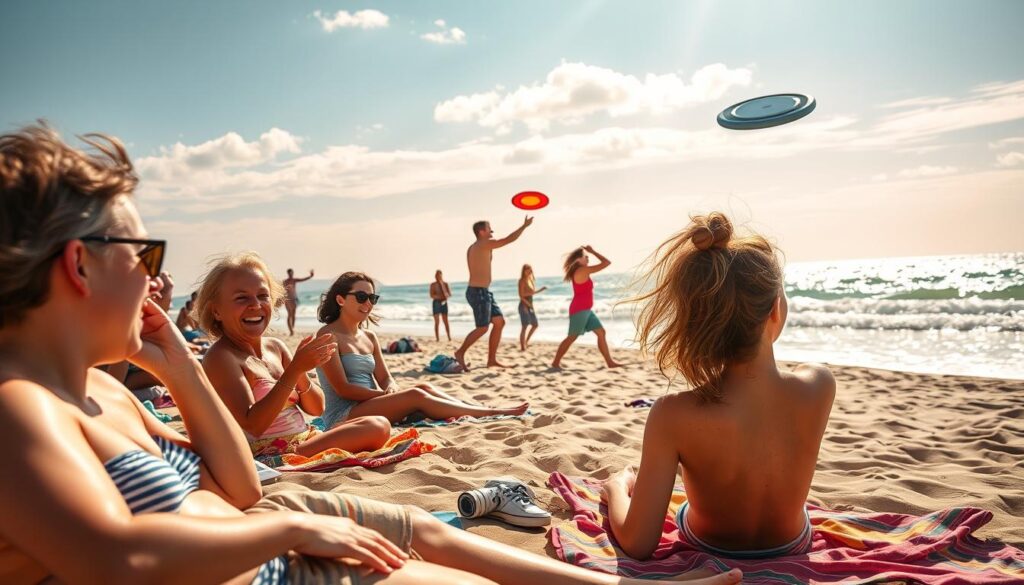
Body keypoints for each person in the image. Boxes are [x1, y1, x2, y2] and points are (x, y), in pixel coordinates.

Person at [0, 124, 743, 585]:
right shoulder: (17, 406)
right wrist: (293, 528)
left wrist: (179, 362)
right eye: (144, 250)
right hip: (269, 556)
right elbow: (113, 559)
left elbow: (241, 486)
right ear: (80, 265)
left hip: (261, 539)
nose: (154, 273)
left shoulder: (115, 395)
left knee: (418, 528)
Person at [601, 212, 835, 561]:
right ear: (774, 310)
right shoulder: (818, 384)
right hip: (793, 543)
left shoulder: (672, 414)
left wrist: (616, 488)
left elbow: (638, 543)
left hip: (708, 545)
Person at [196, 253, 393, 458]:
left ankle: (307, 449)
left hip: (303, 438)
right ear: (216, 311)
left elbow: (317, 408)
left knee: (378, 423)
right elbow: (254, 425)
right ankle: (303, 453)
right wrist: (294, 369)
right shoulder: (221, 357)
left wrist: (301, 371)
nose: (255, 305)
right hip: (266, 450)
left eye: (263, 296)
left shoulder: (276, 347)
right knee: (376, 429)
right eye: (241, 298)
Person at [315, 272, 530, 426]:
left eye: (372, 298)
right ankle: (490, 412)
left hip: (372, 404)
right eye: (361, 297)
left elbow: (386, 377)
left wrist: (390, 389)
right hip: (344, 415)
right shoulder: (328, 336)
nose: (368, 303)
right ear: (341, 299)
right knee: (416, 395)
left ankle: (473, 409)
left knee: (424, 387)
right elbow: (343, 389)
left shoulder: (369, 336)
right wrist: (382, 396)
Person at [454, 217, 533, 370]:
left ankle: (491, 360)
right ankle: (460, 352)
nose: (492, 230)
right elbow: (508, 239)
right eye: (489, 228)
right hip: (477, 292)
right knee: (482, 327)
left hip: (484, 292)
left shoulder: (479, 246)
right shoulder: (482, 244)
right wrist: (524, 226)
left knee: (499, 322)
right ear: (482, 232)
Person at [551, 246, 622, 369]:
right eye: (586, 256)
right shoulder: (582, 271)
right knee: (572, 337)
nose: (588, 257)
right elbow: (606, 263)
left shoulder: (582, 270)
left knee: (601, 332)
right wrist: (593, 251)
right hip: (579, 310)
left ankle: (610, 362)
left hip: (586, 310)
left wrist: (591, 253)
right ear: (578, 260)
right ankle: (555, 362)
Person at [517, 264, 548, 351]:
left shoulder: (530, 280)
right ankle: (523, 347)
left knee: (535, 324)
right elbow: (521, 295)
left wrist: (540, 290)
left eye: (530, 270)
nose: (529, 271)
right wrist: (527, 304)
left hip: (530, 305)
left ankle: (526, 342)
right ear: (523, 271)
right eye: (527, 270)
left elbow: (531, 294)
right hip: (524, 305)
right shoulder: (521, 281)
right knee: (524, 326)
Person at [283, 267, 314, 337]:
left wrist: (310, 276)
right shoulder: (285, 281)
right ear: (288, 273)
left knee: (293, 315)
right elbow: (281, 290)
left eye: (292, 273)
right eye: (290, 273)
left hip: (294, 299)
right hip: (287, 299)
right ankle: (291, 331)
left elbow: (303, 279)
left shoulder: (294, 280)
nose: (291, 274)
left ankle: (292, 329)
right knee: (289, 315)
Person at [429, 269, 452, 342]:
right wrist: (439, 296)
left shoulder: (445, 284)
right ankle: (437, 338)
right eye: (436, 275)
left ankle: (449, 337)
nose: (437, 276)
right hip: (436, 303)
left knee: (446, 321)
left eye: (439, 275)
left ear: (441, 275)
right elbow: (431, 295)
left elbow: (449, 294)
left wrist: (445, 295)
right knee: (437, 321)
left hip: (444, 302)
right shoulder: (433, 285)